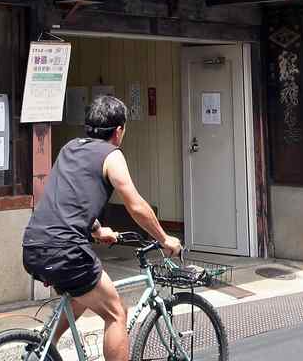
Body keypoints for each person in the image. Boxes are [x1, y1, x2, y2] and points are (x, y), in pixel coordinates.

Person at [22, 95, 183, 361]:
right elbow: (137, 206)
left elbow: (69, 200)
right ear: (118, 131)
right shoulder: (112, 156)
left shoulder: (69, 148)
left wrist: (97, 230)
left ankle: (43, 351)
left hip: (34, 244)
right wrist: (165, 239)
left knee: (79, 296)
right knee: (117, 312)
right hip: (66, 250)